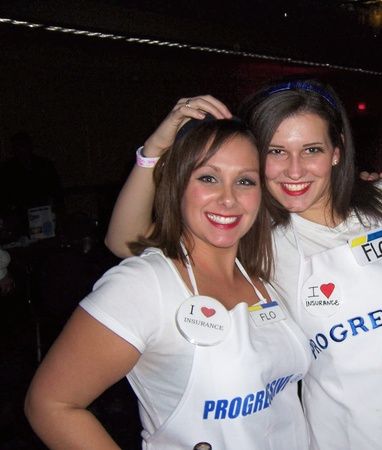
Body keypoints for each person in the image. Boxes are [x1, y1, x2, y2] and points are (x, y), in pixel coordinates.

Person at [104, 79, 382, 449]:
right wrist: (155, 148)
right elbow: (126, 240)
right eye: (276, 152)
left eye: (312, 150)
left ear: (337, 151)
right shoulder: (253, 237)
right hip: (348, 437)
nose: (295, 170)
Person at [24, 117, 311, 449]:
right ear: (177, 185)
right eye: (208, 178)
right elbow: (50, 405)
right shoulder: (144, 285)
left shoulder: (264, 275)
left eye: (245, 181)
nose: (228, 198)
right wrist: (152, 152)